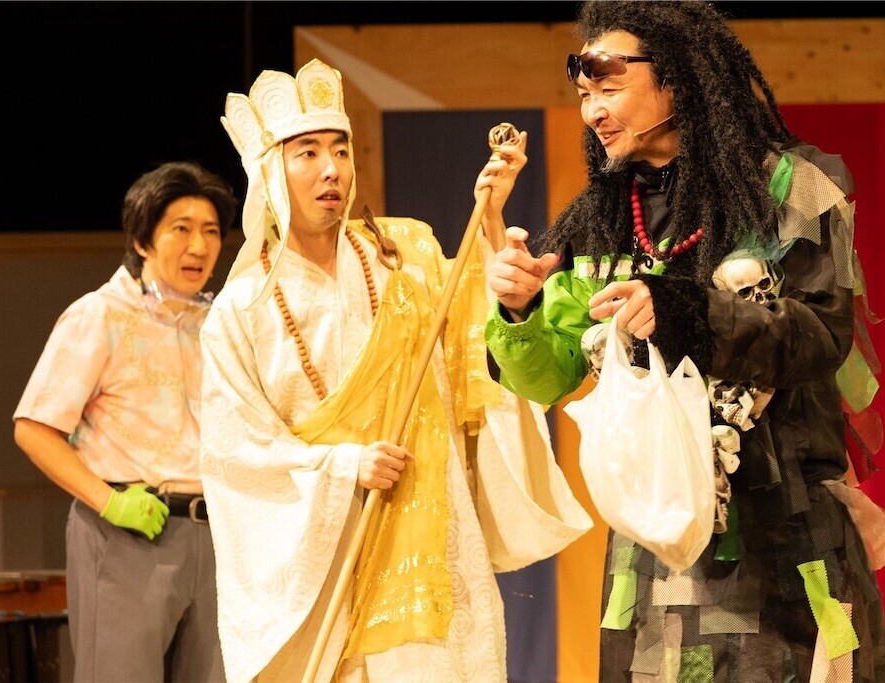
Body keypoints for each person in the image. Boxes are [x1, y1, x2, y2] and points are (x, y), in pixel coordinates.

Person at [485, 2, 885, 681]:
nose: (593, 112)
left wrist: (686, 313)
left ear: (676, 79)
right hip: (659, 557)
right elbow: (545, 378)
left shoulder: (790, 188)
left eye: (609, 88)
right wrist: (519, 310)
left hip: (787, 537)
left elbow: (821, 334)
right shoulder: (599, 220)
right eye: (584, 95)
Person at [199, 59, 592, 683]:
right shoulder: (240, 310)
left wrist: (490, 218)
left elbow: (478, 340)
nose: (332, 169)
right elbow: (235, 455)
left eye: (340, 149)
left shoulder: (404, 256)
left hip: (432, 522)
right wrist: (342, 466)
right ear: (269, 170)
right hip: (327, 550)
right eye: (307, 153)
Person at [13, 161, 237, 682]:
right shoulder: (101, 314)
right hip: (127, 531)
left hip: (215, 535)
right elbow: (34, 428)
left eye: (211, 232)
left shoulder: (218, 324)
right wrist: (110, 502)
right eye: (181, 229)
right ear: (142, 240)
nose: (199, 247)